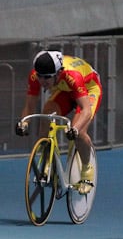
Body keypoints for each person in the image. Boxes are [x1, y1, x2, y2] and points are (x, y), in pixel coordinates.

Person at [16, 50, 103, 195]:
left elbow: (86, 110)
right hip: (65, 89)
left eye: (47, 78)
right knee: (46, 114)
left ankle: (87, 169)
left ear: (58, 73)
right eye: (40, 77)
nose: (42, 82)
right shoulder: (35, 76)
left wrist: (75, 129)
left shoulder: (72, 76)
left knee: (79, 132)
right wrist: (24, 122)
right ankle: (47, 160)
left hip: (88, 88)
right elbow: (30, 105)